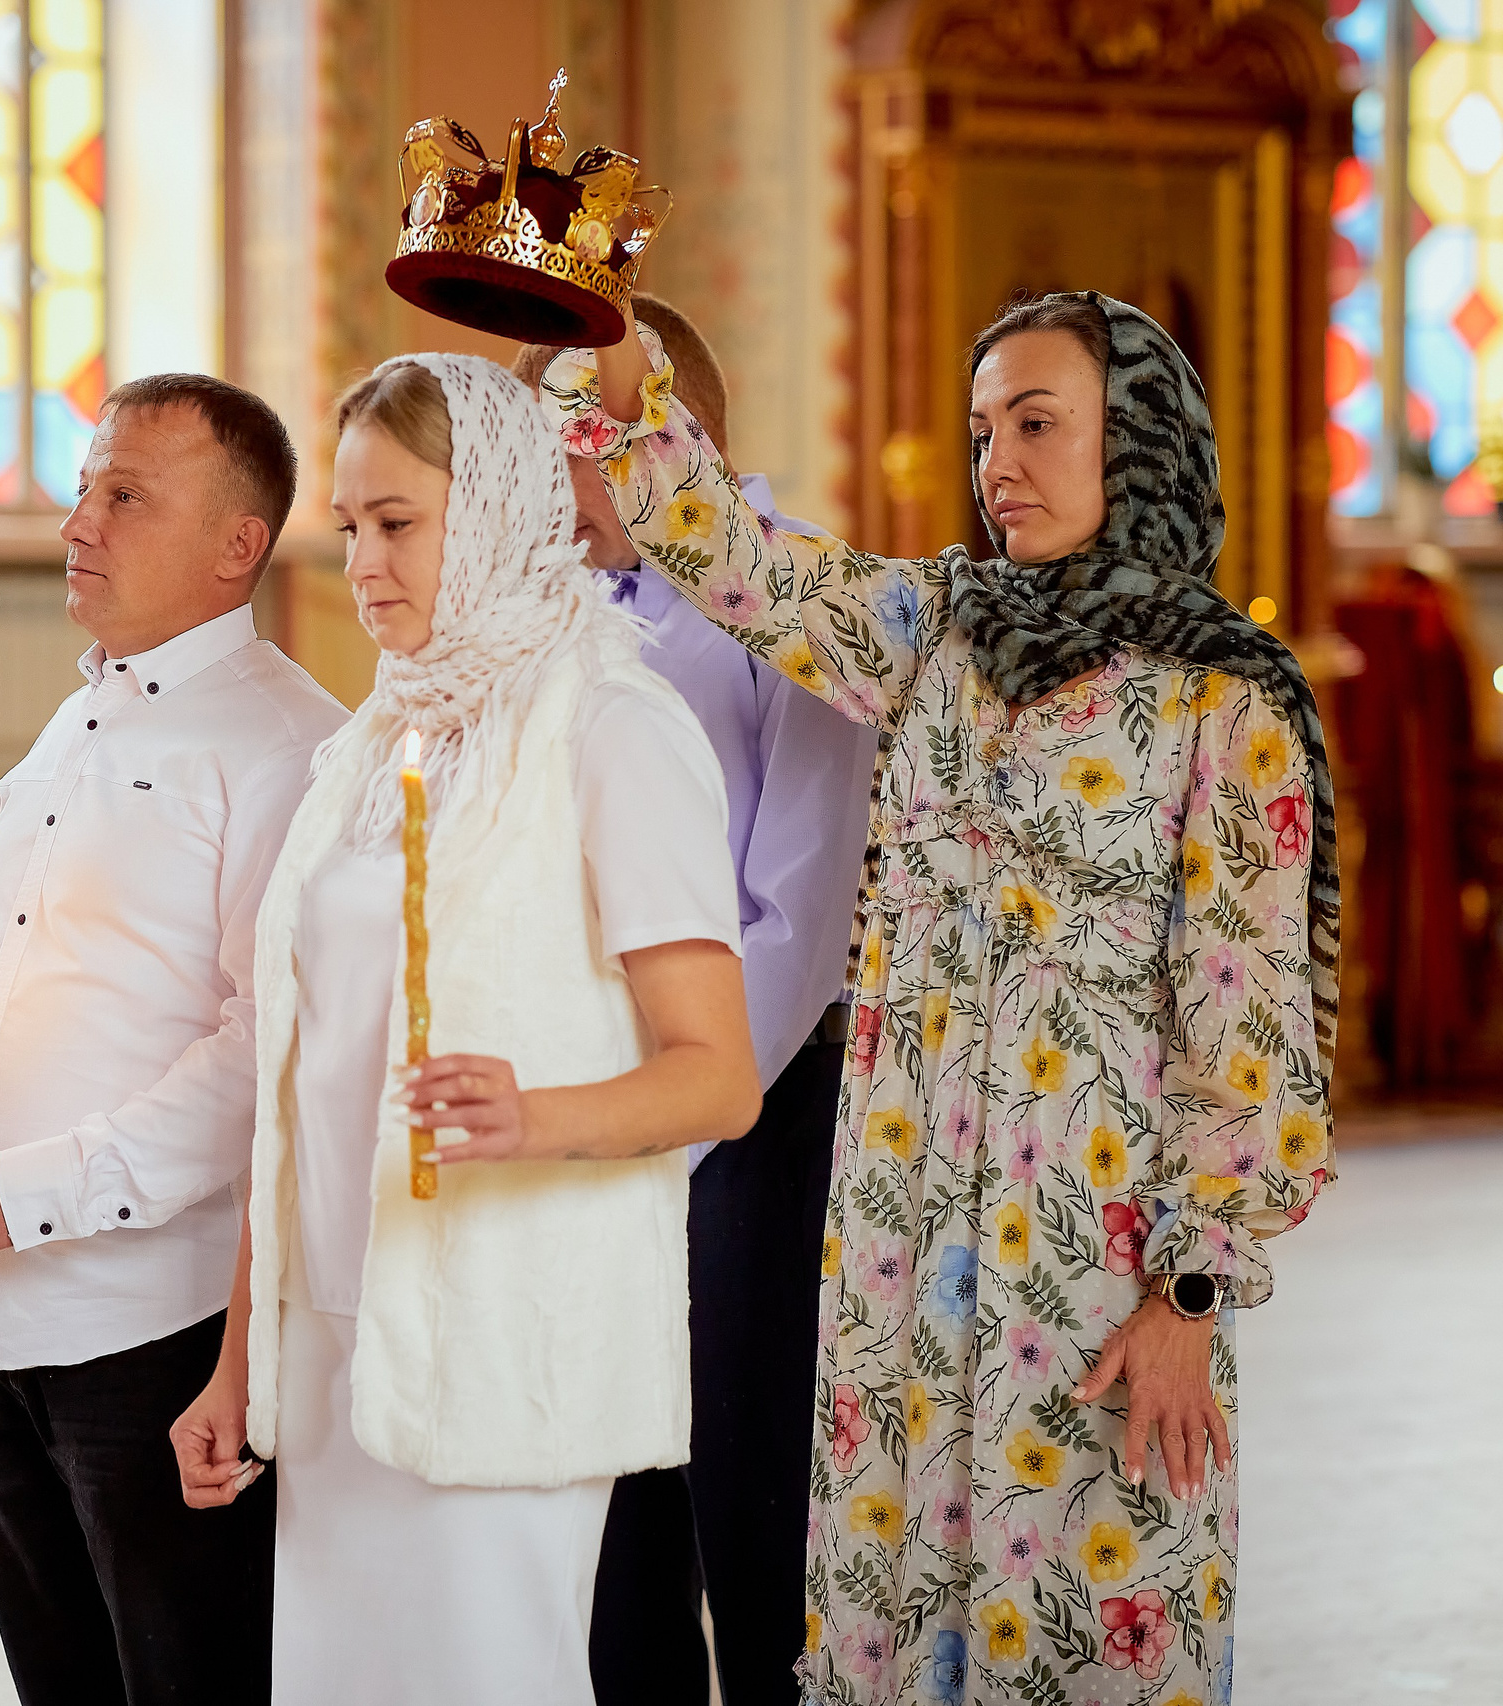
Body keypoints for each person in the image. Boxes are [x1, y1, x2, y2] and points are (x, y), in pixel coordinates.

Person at [550, 291, 1339, 1704]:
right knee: (892, 1614)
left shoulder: (1229, 706)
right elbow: (735, 558)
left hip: (1093, 1282)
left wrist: (1189, 1294)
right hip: (901, 1265)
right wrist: (614, 345)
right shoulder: (931, 634)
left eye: (1039, 424)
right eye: (984, 432)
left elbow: (1255, 1038)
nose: (1000, 465)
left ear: (1137, 440)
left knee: (1090, 1621)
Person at [169, 353, 764, 1706]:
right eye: (352, 525)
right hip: (334, 1345)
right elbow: (291, 1079)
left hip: (509, 1338)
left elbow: (718, 1077)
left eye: (399, 524)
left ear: (494, 509)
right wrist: (237, 1363)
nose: (362, 563)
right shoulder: (366, 748)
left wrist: (532, 1114)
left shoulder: (611, 724)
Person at [0, 373, 346, 1705]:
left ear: (237, 544)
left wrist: (29, 1192)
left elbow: (264, 1058)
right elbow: (10, 1001)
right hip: (4, 1321)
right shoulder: (76, 719)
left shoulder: (290, 745)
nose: (81, 521)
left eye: (126, 494)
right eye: (83, 486)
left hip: (159, 1327)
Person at [512, 299, 879, 1706]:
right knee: (616, 1514)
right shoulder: (553, 611)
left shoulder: (795, 607)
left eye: (579, 442)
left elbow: (799, 912)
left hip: (751, 1118)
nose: (554, 481)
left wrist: (683, 1109)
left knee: (751, 1489)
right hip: (588, 1111)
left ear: (672, 432)